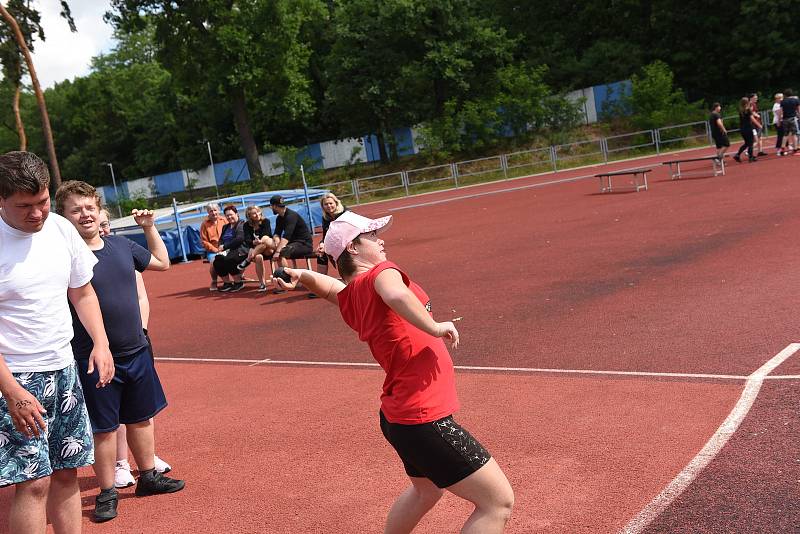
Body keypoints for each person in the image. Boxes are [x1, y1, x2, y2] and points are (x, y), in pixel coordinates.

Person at [276, 211, 514, 533]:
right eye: (372, 236)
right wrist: (434, 326)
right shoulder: (382, 273)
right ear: (354, 249)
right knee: (497, 502)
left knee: (426, 491)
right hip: (424, 418)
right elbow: (396, 293)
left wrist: (302, 276)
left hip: (399, 419)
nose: (381, 240)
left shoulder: (354, 294)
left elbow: (332, 288)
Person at [56, 180, 184, 522]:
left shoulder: (122, 245)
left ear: (100, 212)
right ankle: (107, 491)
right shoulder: (64, 256)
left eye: (89, 208)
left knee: (142, 418)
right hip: (94, 357)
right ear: (63, 217)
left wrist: (149, 227)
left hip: (136, 350)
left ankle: (149, 476)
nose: (84, 214)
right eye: (75, 210)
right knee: (104, 428)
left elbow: (162, 262)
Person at [0, 151, 114, 534]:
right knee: (33, 482)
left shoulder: (61, 229)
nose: (37, 214)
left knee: (67, 472)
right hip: (15, 376)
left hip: (64, 369)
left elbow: (82, 292)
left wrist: (100, 342)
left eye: (43, 202)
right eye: (25, 206)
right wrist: (11, 389)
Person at [96, 209, 172, 489]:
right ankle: (120, 464)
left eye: (106, 224)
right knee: (111, 416)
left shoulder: (122, 251)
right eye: (99, 223)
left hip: (136, 342)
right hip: (101, 350)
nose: (102, 228)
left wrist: (142, 331)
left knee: (141, 408)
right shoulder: (77, 256)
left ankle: (146, 458)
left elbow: (142, 294)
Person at [236, 205, 275, 292]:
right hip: (257, 250)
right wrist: (254, 242)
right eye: (254, 214)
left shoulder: (266, 221)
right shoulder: (246, 225)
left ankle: (248, 259)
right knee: (258, 257)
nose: (257, 214)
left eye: (258, 212)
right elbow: (247, 239)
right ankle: (262, 283)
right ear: (249, 216)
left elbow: (267, 234)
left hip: (268, 249)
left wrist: (258, 242)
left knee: (264, 243)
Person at [212, 205, 248, 293]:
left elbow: (239, 239)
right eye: (227, 215)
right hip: (227, 250)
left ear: (236, 214)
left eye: (231, 214)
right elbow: (221, 239)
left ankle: (238, 282)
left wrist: (225, 247)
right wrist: (220, 246)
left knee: (229, 259)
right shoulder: (226, 227)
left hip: (241, 249)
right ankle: (227, 283)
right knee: (217, 261)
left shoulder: (242, 224)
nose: (229, 217)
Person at [200, 203, 227, 291]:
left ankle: (239, 276)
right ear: (208, 212)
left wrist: (226, 247)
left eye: (215, 210)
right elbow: (204, 241)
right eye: (211, 211)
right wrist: (215, 250)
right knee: (213, 262)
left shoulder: (224, 220)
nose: (213, 212)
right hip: (213, 250)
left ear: (218, 210)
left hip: (226, 247)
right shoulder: (204, 224)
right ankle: (214, 281)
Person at [733, 96, 760, 163]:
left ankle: (738, 154)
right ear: (747, 102)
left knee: (746, 143)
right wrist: (759, 125)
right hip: (748, 128)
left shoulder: (741, 110)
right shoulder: (748, 110)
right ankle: (750, 157)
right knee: (750, 143)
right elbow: (752, 119)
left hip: (742, 129)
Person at [780, 88, 799, 155]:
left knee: (785, 134)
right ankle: (795, 149)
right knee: (794, 134)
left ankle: (782, 148)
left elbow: (781, 112)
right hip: (793, 118)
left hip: (785, 119)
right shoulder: (796, 100)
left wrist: (780, 120)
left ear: (785, 94)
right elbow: (798, 110)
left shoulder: (782, 101)